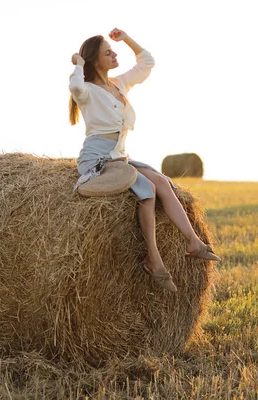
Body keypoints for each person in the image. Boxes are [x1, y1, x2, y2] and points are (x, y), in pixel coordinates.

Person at [69, 28, 220, 293]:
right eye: (108, 52)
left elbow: (147, 62)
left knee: (161, 181)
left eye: (113, 50)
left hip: (119, 156)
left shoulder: (118, 84)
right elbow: (75, 86)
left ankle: (194, 242)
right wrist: (79, 64)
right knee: (147, 190)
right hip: (98, 159)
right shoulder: (88, 91)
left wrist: (125, 38)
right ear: (95, 61)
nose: (114, 55)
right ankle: (153, 259)